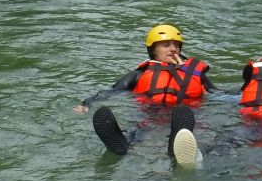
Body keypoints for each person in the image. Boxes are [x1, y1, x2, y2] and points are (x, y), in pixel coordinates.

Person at [79, 24, 213, 158]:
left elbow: (219, 94)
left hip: (185, 114)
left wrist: (234, 95)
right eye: (166, 45)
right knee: (138, 129)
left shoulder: (194, 74)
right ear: (154, 50)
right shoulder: (140, 74)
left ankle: (177, 147)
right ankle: (122, 145)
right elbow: (112, 91)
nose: (173, 49)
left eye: (176, 45)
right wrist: (86, 103)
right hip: (150, 114)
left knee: (183, 117)